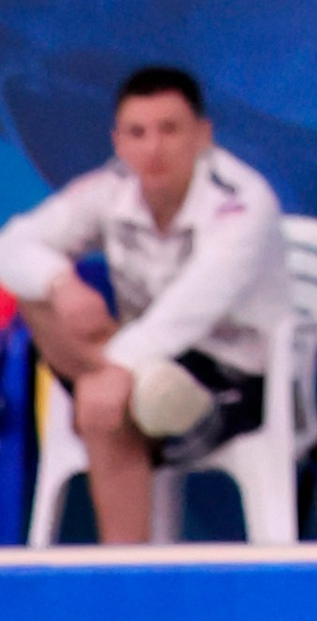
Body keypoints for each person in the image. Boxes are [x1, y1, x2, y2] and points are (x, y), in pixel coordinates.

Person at [0, 66, 288, 544]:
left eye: (169, 130)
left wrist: (119, 368)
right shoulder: (111, 188)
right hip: (134, 354)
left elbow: (193, 306)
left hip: (228, 374)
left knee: (104, 406)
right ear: (118, 141)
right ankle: (147, 392)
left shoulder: (242, 202)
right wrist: (61, 283)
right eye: (137, 133)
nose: (153, 148)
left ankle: (126, 573)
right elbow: (11, 246)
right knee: (39, 298)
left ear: (202, 134)